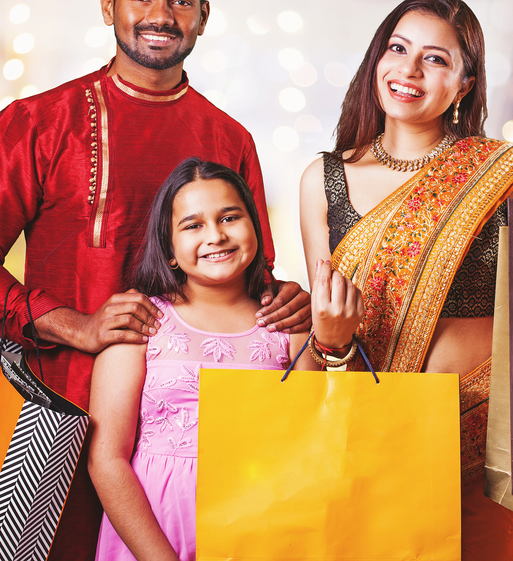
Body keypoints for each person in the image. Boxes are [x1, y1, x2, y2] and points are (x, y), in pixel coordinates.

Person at [0, 0, 310, 561]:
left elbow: (249, 276)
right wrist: (73, 326)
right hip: (53, 423)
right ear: (110, 4)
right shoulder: (37, 122)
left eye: (180, 0)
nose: (159, 16)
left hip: (190, 452)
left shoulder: (229, 140)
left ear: (203, 14)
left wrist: (287, 302)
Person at [299, 0, 513, 560]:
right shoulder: (323, 179)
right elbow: (327, 321)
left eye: (435, 58)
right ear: (376, 59)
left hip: (490, 444)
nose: (408, 69)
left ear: (464, 83)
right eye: (397, 48)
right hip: (379, 435)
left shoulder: (504, 174)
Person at [87, 158, 333, 561]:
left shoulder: (291, 327)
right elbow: (106, 457)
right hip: (151, 538)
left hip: (261, 535)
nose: (216, 236)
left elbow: (310, 445)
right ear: (168, 250)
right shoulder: (139, 324)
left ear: (255, 226)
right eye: (193, 225)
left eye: (230, 217)